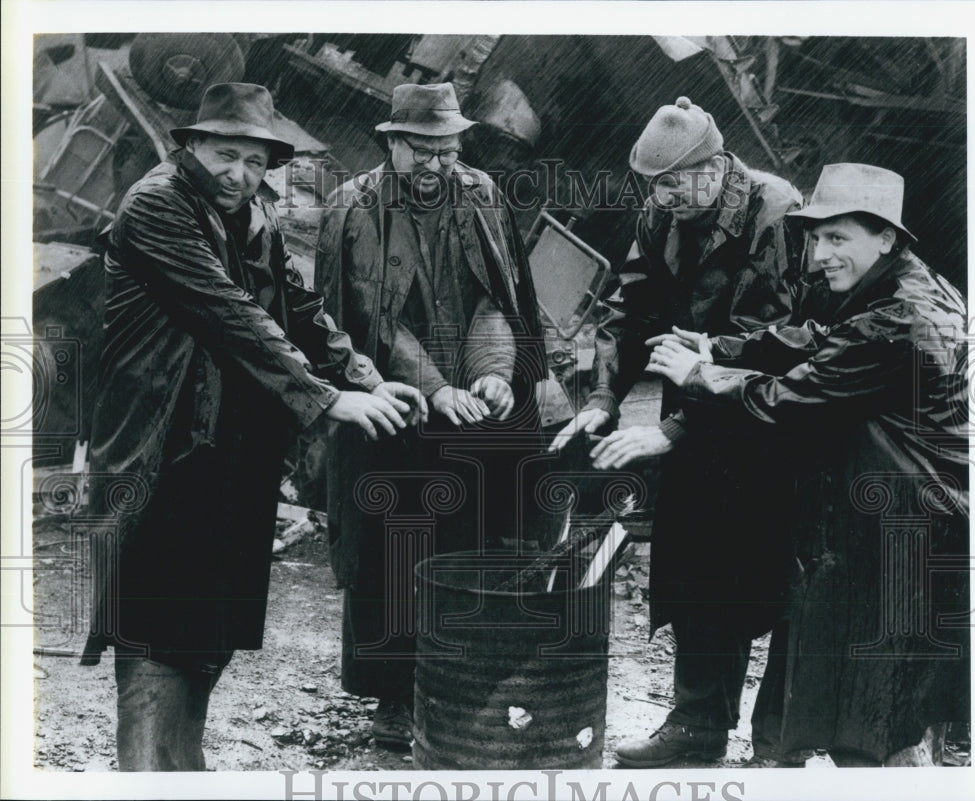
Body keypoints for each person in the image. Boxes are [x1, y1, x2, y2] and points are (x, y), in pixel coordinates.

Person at [81, 83, 425, 771]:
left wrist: (363, 375)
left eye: (253, 159)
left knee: (207, 630)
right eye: (224, 153)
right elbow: (230, 312)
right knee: (152, 630)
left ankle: (183, 768)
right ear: (192, 145)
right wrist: (326, 399)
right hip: (161, 447)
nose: (239, 172)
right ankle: (144, 775)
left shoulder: (252, 213)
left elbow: (300, 307)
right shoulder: (156, 206)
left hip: (229, 451)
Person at [647, 163, 970, 766]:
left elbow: (787, 399)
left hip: (912, 525)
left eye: (838, 237)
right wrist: (719, 345)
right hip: (913, 514)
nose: (819, 253)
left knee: (880, 721)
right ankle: (792, 749)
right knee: (876, 701)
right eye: (816, 237)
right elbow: (817, 337)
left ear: (887, 238)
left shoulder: (896, 318)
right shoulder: (906, 286)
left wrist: (700, 377)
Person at [548, 96, 810, 767]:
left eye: (673, 183)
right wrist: (603, 396)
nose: (662, 199)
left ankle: (781, 740)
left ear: (717, 165)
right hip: (694, 420)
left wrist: (675, 425)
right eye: (653, 186)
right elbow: (626, 306)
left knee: (773, 578)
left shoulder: (774, 211)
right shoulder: (662, 210)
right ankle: (697, 723)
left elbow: (775, 341)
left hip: (770, 422)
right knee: (698, 566)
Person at [314, 83, 552, 749]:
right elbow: (370, 317)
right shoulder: (356, 205)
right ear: (393, 141)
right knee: (395, 544)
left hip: (471, 407)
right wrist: (436, 388)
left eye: (449, 151)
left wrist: (494, 374)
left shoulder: (479, 192)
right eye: (423, 151)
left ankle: (462, 680)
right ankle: (393, 695)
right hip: (390, 404)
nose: (438, 166)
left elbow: (495, 295)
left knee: (475, 537)